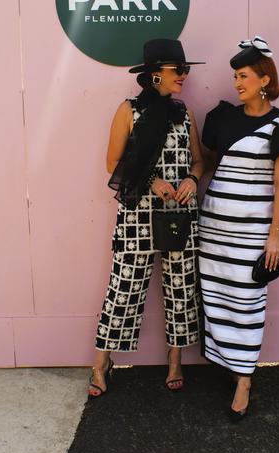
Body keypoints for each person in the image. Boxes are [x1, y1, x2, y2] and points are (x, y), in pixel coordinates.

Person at [199, 36, 279, 420]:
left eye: (243, 75)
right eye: (235, 76)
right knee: (215, 298)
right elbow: (214, 164)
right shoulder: (223, 119)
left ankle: (244, 377)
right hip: (212, 230)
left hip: (252, 233)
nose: (237, 83)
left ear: (265, 79)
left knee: (247, 303)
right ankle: (229, 364)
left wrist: (274, 236)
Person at [89, 39, 206, 397]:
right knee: (123, 289)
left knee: (181, 289)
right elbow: (113, 163)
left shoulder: (183, 113)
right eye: (178, 70)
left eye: (185, 70)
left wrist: (191, 179)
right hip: (138, 215)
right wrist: (152, 181)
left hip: (179, 215)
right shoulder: (129, 110)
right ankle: (101, 362)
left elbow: (199, 161)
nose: (184, 76)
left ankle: (175, 360)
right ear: (156, 74)